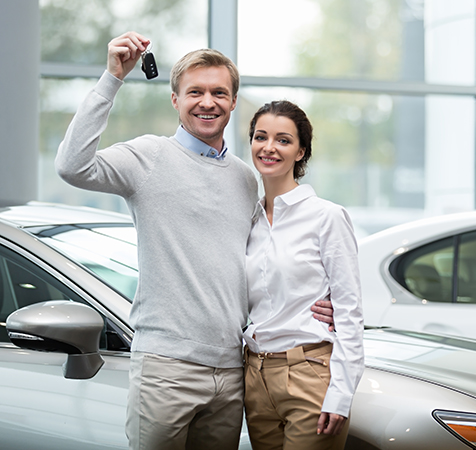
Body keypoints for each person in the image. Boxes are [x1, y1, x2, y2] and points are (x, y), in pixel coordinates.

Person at [55, 31, 334, 450]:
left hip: (233, 371)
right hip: (166, 368)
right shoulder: (147, 157)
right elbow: (72, 166)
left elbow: (260, 262)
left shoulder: (245, 177)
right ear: (175, 100)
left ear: (233, 102)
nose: (208, 102)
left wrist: (315, 301)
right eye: (195, 92)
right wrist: (113, 78)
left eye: (219, 92)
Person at [243, 100, 365, 450]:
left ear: (301, 152)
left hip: (309, 371)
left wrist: (340, 394)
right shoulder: (248, 220)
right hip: (255, 375)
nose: (269, 147)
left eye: (283, 140)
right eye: (260, 137)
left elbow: (350, 312)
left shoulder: (326, 217)